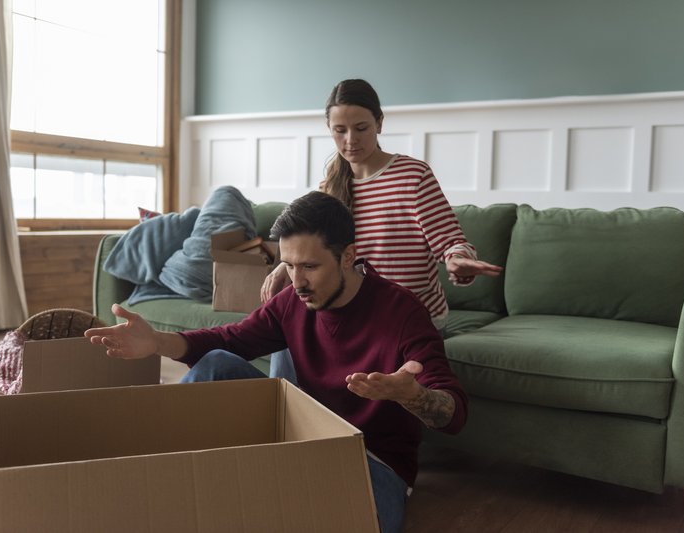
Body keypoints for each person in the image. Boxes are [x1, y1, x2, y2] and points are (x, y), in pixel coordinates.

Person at [85, 191, 468, 533]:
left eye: (310, 267)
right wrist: (155, 342)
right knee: (218, 362)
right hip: (299, 439)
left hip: (371, 460)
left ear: (349, 256)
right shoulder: (292, 301)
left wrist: (413, 396)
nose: (297, 281)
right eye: (289, 265)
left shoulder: (402, 312)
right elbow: (230, 340)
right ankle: (164, 477)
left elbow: (453, 413)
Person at [261, 78, 503, 379]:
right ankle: (285, 411)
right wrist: (285, 267)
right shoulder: (329, 187)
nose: (351, 140)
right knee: (289, 321)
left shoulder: (413, 176)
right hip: (354, 310)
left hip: (407, 317)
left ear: (379, 123)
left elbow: (449, 241)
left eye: (361, 128)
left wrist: (457, 260)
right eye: (340, 131)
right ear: (330, 130)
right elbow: (308, 246)